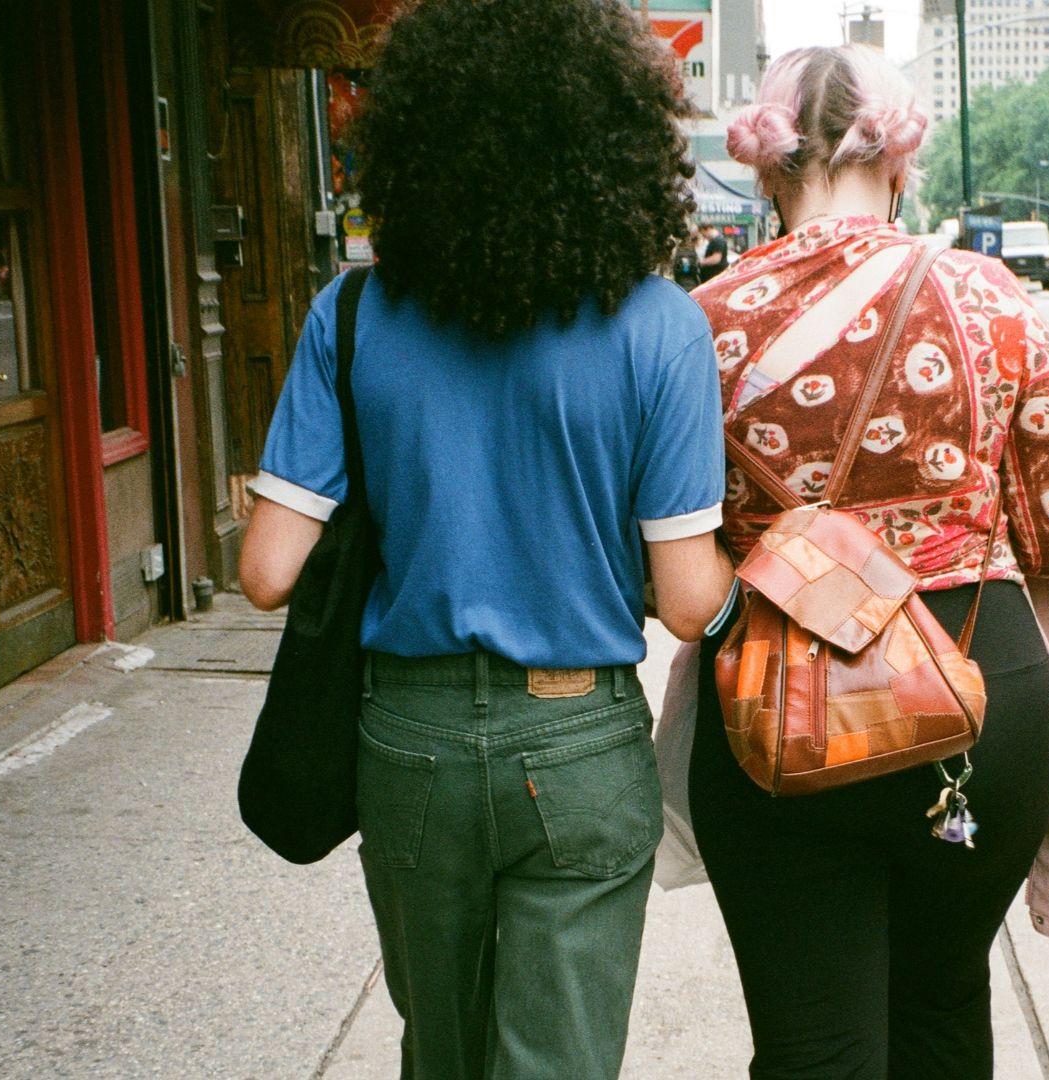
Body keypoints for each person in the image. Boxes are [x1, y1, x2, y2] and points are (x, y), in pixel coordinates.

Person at [236, 2, 735, 1077]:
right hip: (577, 737)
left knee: (441, 1053)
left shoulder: (354, 316)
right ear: (616, 141)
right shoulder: (662, 327)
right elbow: (691, 602)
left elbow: (268, 572)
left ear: (417, 137)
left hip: (405, 740)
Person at [688, 45, 1049, 1080]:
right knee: (943, 1012)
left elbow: (662, 539)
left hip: (777, 703)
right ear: (901, 158)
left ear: (765, 168)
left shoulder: (702, 325)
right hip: (973, 696)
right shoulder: (990, 299)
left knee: (812, 1045)